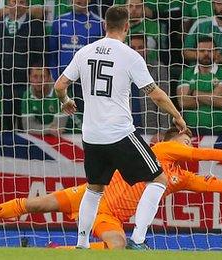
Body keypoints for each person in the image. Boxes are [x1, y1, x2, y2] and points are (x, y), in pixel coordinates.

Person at [0, 127, 222, 249]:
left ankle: (54, 252)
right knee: (37, 204)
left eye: (190, 141)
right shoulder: (159, 150)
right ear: (170, 142)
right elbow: (195, 154)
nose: (188, 146)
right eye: (183, 141)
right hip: (92, 194)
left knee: (118, 245)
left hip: (109, 215)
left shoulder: (178, 178)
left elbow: (211, 185)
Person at [53, 6, 187, 249]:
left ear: (104, 25)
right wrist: (177, 116)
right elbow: (155, 95)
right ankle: (138, 240)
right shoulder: (130, 56)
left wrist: (66, 101)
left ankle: (81, 245)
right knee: (158, 180)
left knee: (94, 189)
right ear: (127, 26)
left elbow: (60, 84)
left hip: (91, 135)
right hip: (119, 133)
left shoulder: (85, 52)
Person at [177, 36, 222, 136]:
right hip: (190, 130)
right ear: (196, 53)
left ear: (216, 53)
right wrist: (211, 97)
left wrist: (194, 93)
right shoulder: (186, 73)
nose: (206, 54)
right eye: (202, 51)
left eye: (210, 51)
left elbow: (221, 101)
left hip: (217, 130)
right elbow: (183, 102)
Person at [128, 34, 171, 143]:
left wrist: (163, 131)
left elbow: (164, 100)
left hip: (151, 130)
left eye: (140, 47)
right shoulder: (121, 70)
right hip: (126, 130)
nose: (137, 51)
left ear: (147, 49)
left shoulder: (158, 68)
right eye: (133, 48)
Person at [20, 62, 68, 135]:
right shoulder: (27, 95)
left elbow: (58, 128)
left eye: (42, 77)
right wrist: (48, 129)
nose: (39, 80)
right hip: (48, 137)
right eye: (35, 76)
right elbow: (28, 127)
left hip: (73, 134)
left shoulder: (60, 92)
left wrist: (40, 128)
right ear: (29, 78)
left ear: (49, 77)